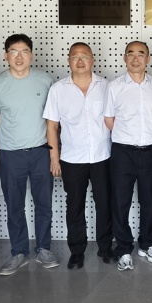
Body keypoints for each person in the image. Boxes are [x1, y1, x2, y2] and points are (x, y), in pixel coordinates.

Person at [0, 33, 57, 276]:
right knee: (14, 205)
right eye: (13, 52)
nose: (19, 57)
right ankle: (19, 252)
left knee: (43, 204)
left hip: (41, 153)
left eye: (24, 51)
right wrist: (1, 148)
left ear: (32, 55)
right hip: (11, 154)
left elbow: (52, 120)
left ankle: (44, 249)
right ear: (5, 55)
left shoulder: (45, 81)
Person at [43, 42, 114, 270]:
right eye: (75, 57)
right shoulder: (58, 89)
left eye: (84, 56)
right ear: (69, 61)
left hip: (103, 156)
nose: (80, 61)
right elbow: (52, 126)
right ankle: (76, 251)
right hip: (72, 158)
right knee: (74, 206)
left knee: (105, 204)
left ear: (93, 60)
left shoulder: (106, 86)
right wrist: (54, 158)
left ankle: (105, 247)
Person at [104, 41, 152, 271]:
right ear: (124, 58)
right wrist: (127, 137)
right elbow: (109, 119)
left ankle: (147, 244)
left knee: (148, 201)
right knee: (121, 202)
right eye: (131, 54)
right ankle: (123, 248)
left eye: (141, 54)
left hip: (151, 151)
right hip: (123, 152)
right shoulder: (115, 86)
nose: (136, 58)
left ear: (148, 59)